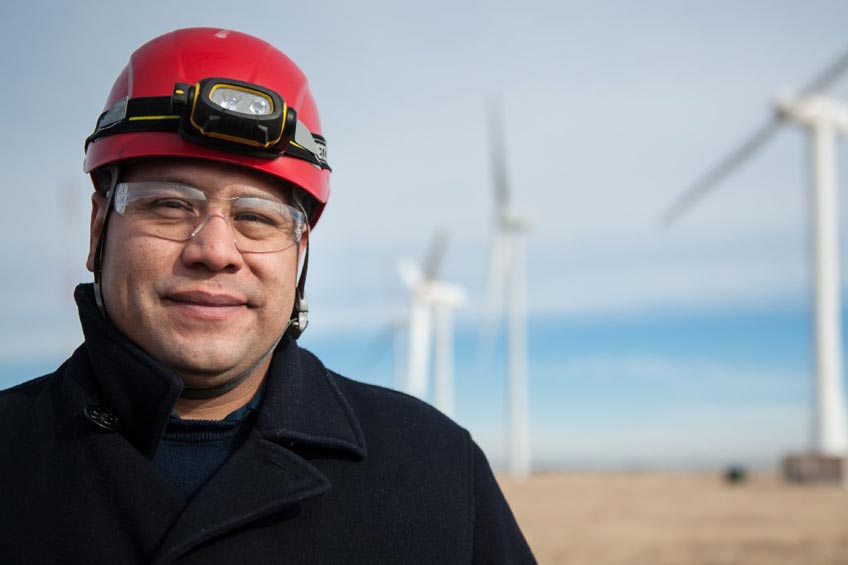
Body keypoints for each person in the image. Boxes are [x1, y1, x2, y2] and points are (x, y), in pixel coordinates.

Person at [0, 27, 535, 564]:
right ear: (98, 229)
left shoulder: (437, 470)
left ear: (299, 254)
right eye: (168, 205)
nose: (214, 249)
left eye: (257, 218)